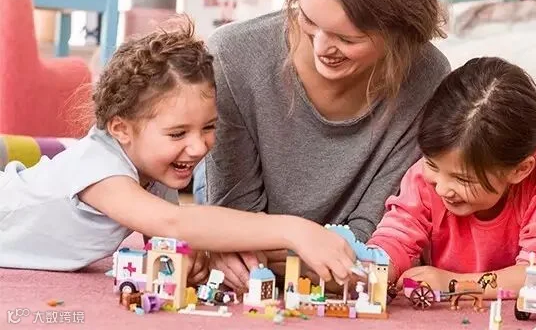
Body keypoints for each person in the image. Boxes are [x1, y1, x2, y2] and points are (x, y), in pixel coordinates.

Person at [198, 0, 450, 292]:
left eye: (347, 38)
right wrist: (254, 242)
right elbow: (237, 222)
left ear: (401, 31)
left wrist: (323, 255)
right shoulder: (234, 58)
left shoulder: (426, 76)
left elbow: (376, 238)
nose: (321, 48)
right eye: (308, 20)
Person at [0, 19, 356, 286]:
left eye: (209, 127)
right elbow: (174, 223)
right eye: (177, 133)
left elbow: (172, 236)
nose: (199, 147)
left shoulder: (152, 170)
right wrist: (293, 229)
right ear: (121, 128)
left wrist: (193, 255)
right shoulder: (99, 169)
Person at [368, 57, 536, 296]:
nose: (442, 188)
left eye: (463, 179)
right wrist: (371, 269)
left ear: (520, 170)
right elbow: (395, 236)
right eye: (431, 164)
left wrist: (453, 284)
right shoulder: (426, 178)